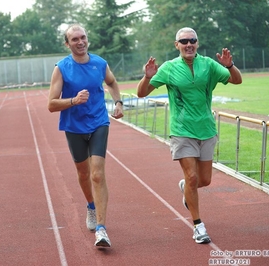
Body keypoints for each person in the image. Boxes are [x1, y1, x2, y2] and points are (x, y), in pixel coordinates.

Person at [137, 27, 242, 244]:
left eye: (192, 40)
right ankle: (198, 225)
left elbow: (237, 81)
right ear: (177, 45)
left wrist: (230, 65)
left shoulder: (208, 64)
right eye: (183, 41)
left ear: (197, 42)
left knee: (204, 180)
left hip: (206, 129)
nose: (188, 44)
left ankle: (186, 188)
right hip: (181, 131)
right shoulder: (168, 68)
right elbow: (141, 93)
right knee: (192, 177)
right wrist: (147, 78)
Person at [48, 24, 124, 248]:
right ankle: (91, 206)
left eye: (83, 38)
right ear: (67, 44)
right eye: (74, 39)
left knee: (97, 174)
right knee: (83, 173)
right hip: (74, 127)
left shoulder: (99, 63)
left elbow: (111, 82)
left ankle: (101, 228)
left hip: (99, 122)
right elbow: (51, 104)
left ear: (87, 39)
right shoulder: (61, 68)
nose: (80, 42)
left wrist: (118, 102)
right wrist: (73, 100)